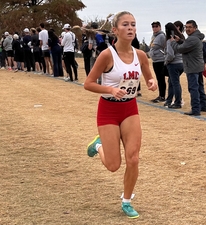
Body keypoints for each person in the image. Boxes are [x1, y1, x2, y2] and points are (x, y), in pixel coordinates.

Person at [83, 11, 157, 219]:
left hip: (130, 109)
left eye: (133, 24)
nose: (131, 28)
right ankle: (98, 146)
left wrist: (153, 83)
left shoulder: (140, 55)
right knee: (113, 166)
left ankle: (127, 201)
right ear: (115, 30)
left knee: (133, 159)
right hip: (108, 110)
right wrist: (110, 90)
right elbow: (88, 84)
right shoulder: (107, 55)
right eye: (125, 25)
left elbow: (150, 78)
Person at [171, 20, 206, 116]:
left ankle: (196, 109)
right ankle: (203, 106)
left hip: (192, 67)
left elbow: (180, 49)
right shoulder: (196, 38)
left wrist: (173, 43)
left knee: (193, 88)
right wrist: (180, 41)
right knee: (200, 87)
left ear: (195, 28)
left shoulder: (192, 39)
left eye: (190, 27)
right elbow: (187, 45)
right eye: (186, 27)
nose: (187, 29)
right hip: (198, 66)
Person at [164, 22, 184, 109]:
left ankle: (177, 102)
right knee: (172, 82)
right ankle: (169, 100)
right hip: (181, 63)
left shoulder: (170, 41)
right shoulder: (181, 38)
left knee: (175, 83)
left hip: (173, 64)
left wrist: (166, 61)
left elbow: (171, 54)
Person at [149, 21, 168, 103]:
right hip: (155, 60)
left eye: (156, 26)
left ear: (160, 27)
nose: (154, 28)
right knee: (159, 78)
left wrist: (162, 53)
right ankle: (161, 95)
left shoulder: (161, 36)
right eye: (153, 26)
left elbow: (165, 46)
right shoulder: (154, 36)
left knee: (161, 78)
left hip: (160, 60)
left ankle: (162, 96)